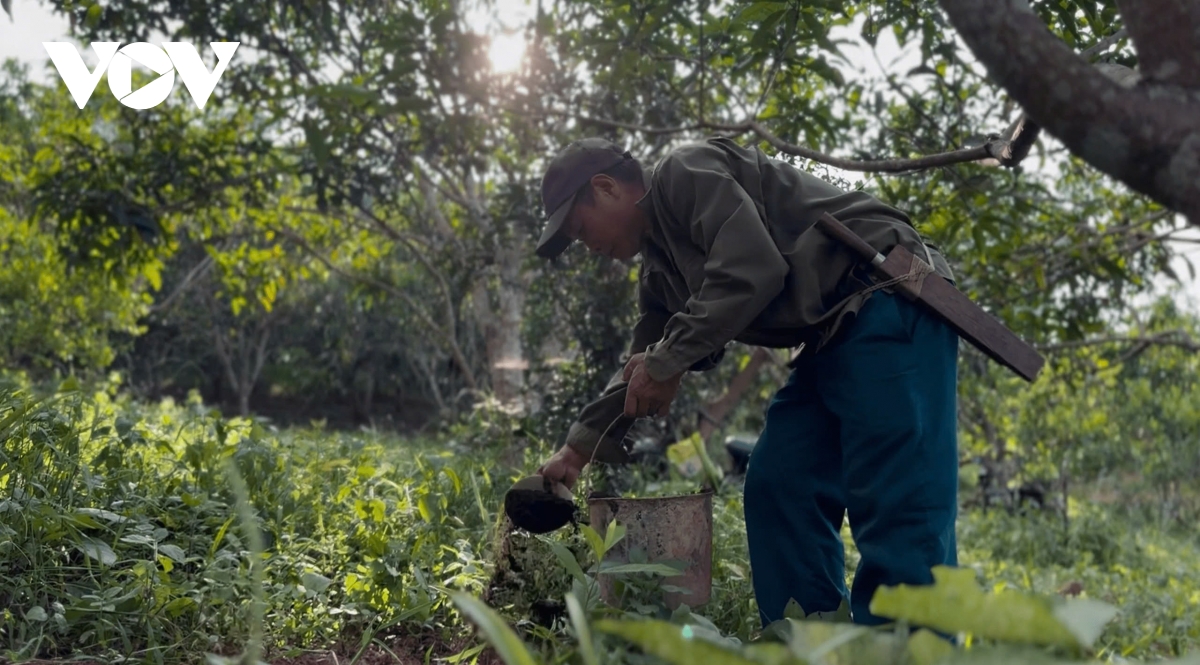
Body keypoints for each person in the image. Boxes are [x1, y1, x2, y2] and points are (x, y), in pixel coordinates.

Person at [532, 135, 961, 628]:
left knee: (899, 508)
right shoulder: (658, 273)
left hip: (889, 295)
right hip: (831, 334)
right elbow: (640, 365)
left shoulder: (683, 173)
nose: (589, 247)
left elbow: (752, 268)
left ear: (605, 187)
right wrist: (575, 451)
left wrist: (669, 361)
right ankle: (808, 643)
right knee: (780, 485)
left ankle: (908, 650)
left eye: (580, 229)